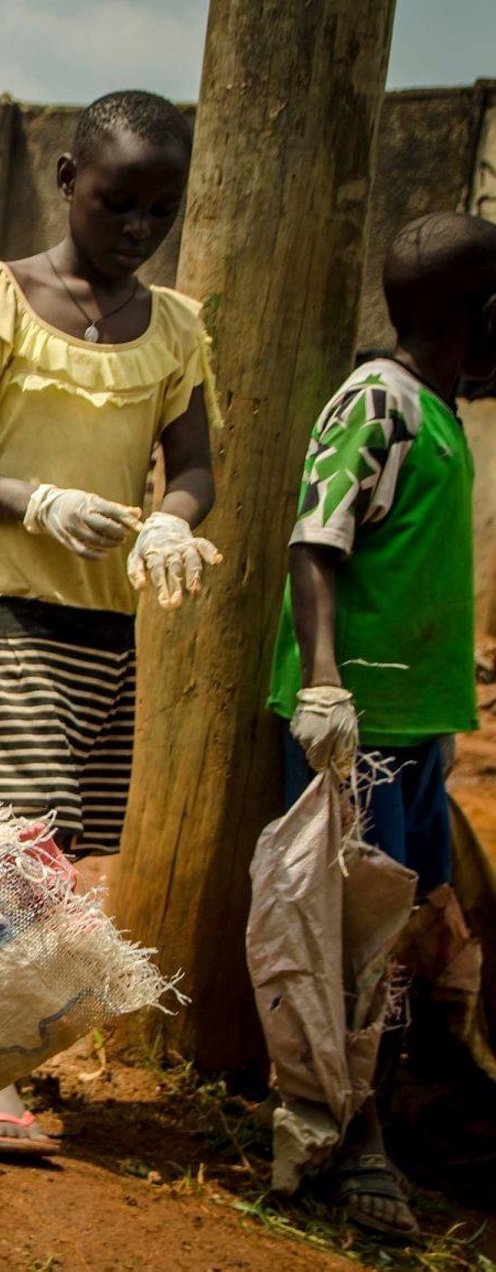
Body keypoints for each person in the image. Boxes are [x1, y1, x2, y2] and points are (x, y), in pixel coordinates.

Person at [0, 90, 222, 1157]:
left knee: (65, 846)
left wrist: (170, 526)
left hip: (103, 620)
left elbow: (196, 470)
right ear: (64, 181)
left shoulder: (173, 329)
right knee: (23, 831)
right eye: (115, 202)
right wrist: (32, 499)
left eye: (158, 211)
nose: (136, 228)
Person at [266, 211, 496, 1238]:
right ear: (482, 317)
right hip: (360, 725)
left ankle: (388, 1126)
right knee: (346, 943)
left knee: (407, 936)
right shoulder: (379, 403)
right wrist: (323, 686)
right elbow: (317, 541)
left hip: (419, 727)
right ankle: (349, 1142)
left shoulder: (442, 416)